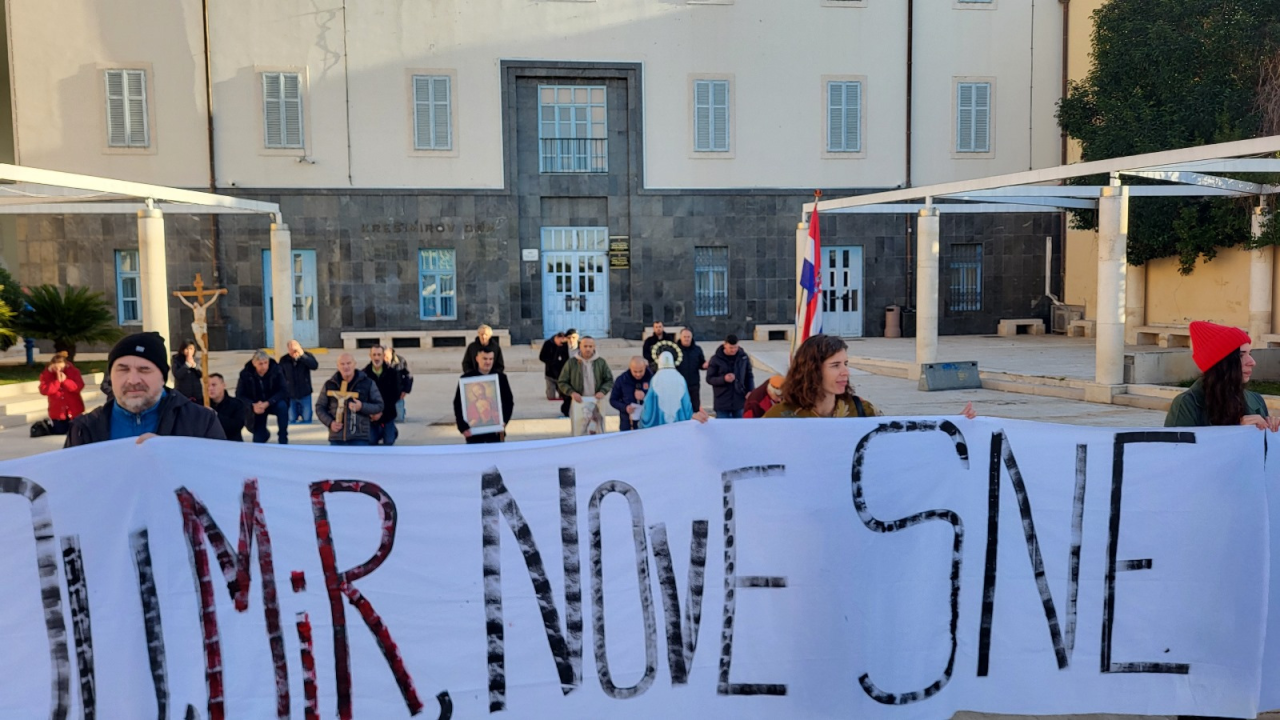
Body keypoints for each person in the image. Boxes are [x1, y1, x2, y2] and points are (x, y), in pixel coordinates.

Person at [65, 332, 224, 446]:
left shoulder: (201, 422)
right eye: (123, 369)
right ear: (110, 377)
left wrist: (174, 455)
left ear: (163, 377)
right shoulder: (84, 429)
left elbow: (219, 479)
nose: (133, 380)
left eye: (144, 369)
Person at [765, 334, 975, 420]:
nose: (845, 372)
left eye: (846, 364)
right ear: (812, 370)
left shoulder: (862, 411)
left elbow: (902, 440)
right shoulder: (780, 417)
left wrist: (952, 425)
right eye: (835, 365)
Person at [1165, 321, 1279, 430]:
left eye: (1250, 353)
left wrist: (1272, 428)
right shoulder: (1187, 405)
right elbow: (1175, 449)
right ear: (1221, 363)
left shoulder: (1256, 401)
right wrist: (1237, 432)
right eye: (1240, 355)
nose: (1252, 362)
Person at [315, 352, 384, 446]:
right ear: (338, 366)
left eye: (348, 363)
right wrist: (330, 423)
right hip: (337, 436)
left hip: (359, 436)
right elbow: (320, 407)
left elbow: (379, 405)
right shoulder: (330, 384)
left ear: (354, 364)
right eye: (342, 364)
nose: (346, 367)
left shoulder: (367, 383)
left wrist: (362, 407)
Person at [453, 348, 515, 444]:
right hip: (474, 435)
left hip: (495, 433)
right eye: (485, 359)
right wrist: (462, 427)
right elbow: (458, 404)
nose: (488, 362)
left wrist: (503, 422)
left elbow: (508, 402)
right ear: (477, 358)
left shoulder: (501, 378)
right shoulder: (466, 379)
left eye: (491, 359)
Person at [557, 335, 614, 436]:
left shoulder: (601, 362)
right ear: (580, 346)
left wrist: (603, 391)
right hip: (579, 402)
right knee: (579, 431)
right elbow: (562, 381)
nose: (588, 349)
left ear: (594, 347)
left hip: (597, 401)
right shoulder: (571, 363)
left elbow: (609, 380)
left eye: (590, 346)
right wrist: (572, 393)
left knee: (597, 430)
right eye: (585, 346)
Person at [640, 351, 710, 428]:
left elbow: (649, 401)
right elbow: (686, 401)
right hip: (678, 420)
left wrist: (643, 415)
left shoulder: (656, 379)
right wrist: (689, 414)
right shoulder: (680, 378)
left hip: (660, 422)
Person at [236, 350, 290, 444]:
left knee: (282, 407)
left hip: (273, 401)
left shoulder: (276, 370)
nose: (264, 366)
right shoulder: (245, 374)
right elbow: (240, 394)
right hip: (257, 405)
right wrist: (252, 405)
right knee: (258, 439)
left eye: (266, 363)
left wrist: (269, 402)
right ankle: (264, 435)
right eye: (260, 364)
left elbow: (283, 390)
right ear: (254, 363)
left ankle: (283, 437)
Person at [706, 334, 755, 419]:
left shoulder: (743, 357)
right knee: (722, 429)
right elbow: (709, 379)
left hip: (739, 400)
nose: (733, 350)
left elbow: (749, 375)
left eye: (735, 347)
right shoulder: (716, 359)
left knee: (739, 428)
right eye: (731, 348)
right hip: (722, 401)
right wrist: (723, 379)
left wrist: (750, 390)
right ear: (725, 345)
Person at [363, 344, 403, 446]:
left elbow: (396, 394)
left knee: (388, 442)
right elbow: (362, 395)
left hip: (388, 413)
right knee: (371, 441)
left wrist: (381, 411)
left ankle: (392, 431)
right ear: (370, 356)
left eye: (379, 355)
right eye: (374, 355)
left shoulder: (393, 373)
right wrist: (371, 412)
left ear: (383, 356)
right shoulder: (364, 374)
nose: (376, 358)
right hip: (371, 416)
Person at [39, 352, 85, 435]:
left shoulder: (74, 372)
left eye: (60, 367)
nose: (58, 370)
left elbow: (78, 387)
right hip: (57, 412)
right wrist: (57, 381)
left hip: (74, 410)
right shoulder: (46, 375)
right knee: (60, 430)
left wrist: (65, 381)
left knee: (76, 430)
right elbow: (44, 390)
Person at [279, 339, 319, 424]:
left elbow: (314, 366)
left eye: (295, 349)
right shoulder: (284, 359)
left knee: (307, 418)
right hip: (290, 394)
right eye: (291, 350)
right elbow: (280, 375)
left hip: (305, 392)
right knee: (291, 418)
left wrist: (302, 356)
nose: (294, 352)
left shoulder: (307, 356)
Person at [609, 356, 652, 431]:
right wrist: (625, 408)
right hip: (628, 422)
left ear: (645, 367)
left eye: (641, 371)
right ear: (630, 368)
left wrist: (646, 396)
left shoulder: (652, 379)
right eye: (635, 371)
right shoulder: (622, 380)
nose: (638, 374)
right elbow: (613, 400)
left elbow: (658, 398)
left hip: (648, 421)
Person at [206, 373, 249, 441]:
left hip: (232, 444)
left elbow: (237, 426)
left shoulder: (236, 404)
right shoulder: (203, 405)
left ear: (223, 385)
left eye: (214, 385)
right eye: (208, 385)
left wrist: (215, 415)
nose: (210, 388)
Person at [675, 328, 708, 412]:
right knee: (680, 407)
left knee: (695, 407)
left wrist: (705, 365)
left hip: (694, 384)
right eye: (684, 337)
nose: (686, 339)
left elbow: (701, 363)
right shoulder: (674, 350)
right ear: (680, 337)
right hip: (679, 384)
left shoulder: (697, 349)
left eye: (688, 337)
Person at [539, 331, 571, 402]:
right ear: (556, 338)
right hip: (550, 372)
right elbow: (541, 357)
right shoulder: (548, 344)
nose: (561, 343)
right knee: (551, 397)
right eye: (560, 340)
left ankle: (559, 389)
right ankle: (549, 390)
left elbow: (567, 357)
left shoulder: (564, 345)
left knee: (563, 396)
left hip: (561, 373)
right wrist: (551, 361)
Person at [384, 347, 413, 421]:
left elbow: (409, 376)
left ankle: (402, 411)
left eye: (386, 355)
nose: (384, 358)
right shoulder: (378, 361)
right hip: (383, 393)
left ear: (391, 351)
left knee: (399, 419)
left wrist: (405, 390)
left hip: (397, 393)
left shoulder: (401, 361)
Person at [171, 339, 204, 404]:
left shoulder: (197, 360)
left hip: (197, 395)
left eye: (191, 349)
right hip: (182, 395)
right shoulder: (176, 360)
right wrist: (187, 364)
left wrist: (195, 366)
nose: (189, 351)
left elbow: (201, 374)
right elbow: (177, 375)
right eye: (187, 349)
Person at [559, 328, 580, 418]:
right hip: (566, 375)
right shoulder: (561, 347)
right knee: (567, 395)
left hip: (579, 375)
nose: (571, 340)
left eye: (573, 337)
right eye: (569, 338)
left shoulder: (583, 346)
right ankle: (566, 410)